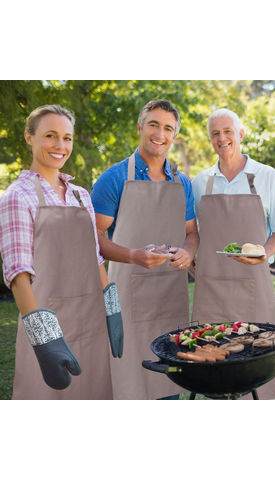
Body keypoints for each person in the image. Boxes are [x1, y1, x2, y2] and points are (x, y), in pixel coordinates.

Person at [0, 104, 123, 399]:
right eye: (50, 136)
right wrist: (46, 341)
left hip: (91, 322)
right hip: (47, 324)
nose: (60, 146)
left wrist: (112, 308)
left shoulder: (81, 195)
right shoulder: (17, 196)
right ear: (30, 137)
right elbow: (18, 274)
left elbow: (94, 259)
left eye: (67, 138)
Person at [91, 99, 198, 400]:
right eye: (153, 124)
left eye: (168, 128)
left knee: (169, 380)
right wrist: (133, 256)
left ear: (174, 135)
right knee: (129, 380)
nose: (159, 134)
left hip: (170, 298)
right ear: (140, 127)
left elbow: (192, 233)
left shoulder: (183, 183)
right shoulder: (113, 179)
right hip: (128, 297)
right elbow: (93, 237)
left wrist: (189, 252)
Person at [191, 108, 275, 399]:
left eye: (228, 131)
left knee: (256, 358)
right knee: (212, 359)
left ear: (241, 134)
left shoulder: (267, 176)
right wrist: (193, 263)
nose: (222, 138)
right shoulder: (200, 182)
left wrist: (263, 253)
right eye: (215, 133)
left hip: (252, 285)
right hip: (211, 287)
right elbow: (194, 233)